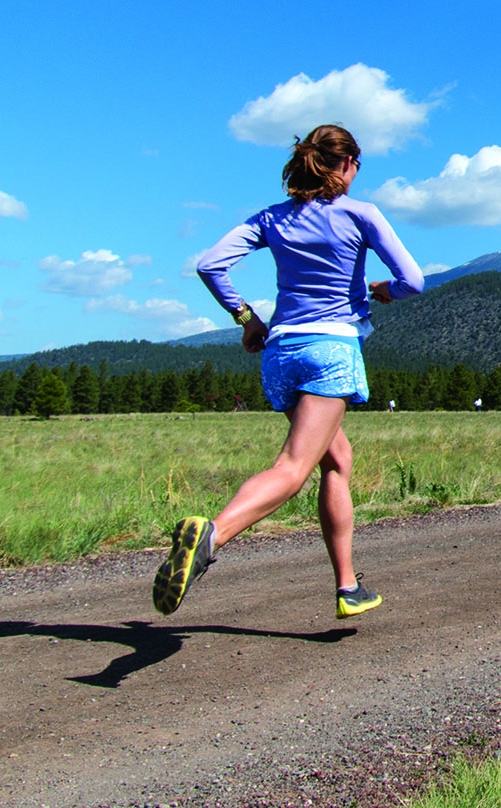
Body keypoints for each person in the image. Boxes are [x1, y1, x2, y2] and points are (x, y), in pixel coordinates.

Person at [154, 125, 424, 619]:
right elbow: (414, 281)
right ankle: (212, 535)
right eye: (357, 164)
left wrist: (246, 319)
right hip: (331, 350)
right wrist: (384, 291)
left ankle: (348, 587)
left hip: (280, 352)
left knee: (336, 459)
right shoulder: (361, 214)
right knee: (293, 468)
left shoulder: (271, 219)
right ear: (345, 165)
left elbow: (211, 264)